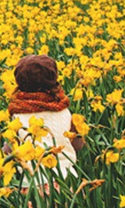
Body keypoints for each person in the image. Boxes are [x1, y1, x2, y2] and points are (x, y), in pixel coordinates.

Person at [7, 54, 85, 185]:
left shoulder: (17, 115)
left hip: (34, 183)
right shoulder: (64, 111)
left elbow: (9, 150)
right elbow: (77, 145)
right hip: (68, 182)